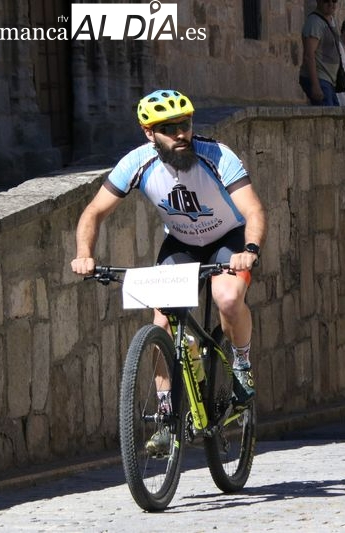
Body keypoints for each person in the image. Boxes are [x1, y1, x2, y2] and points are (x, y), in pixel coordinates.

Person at [70, 89, 267, 454]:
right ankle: (166, 415)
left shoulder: (217, 156)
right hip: (181, 244)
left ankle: (241, 364)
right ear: (149, 133)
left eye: (185, 124)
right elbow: (93, 212)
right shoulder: (136, 163)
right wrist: (85, 254)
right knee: (160, 324)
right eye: (168, 127)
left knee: (226, 298)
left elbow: (253, 211)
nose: (180, 133)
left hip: (228, 238)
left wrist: (250, 250)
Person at [299, 0, 342, 106]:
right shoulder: (315, 22)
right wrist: (315, 85)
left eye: (334, 0)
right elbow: (309, 55)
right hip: (320, 79)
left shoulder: (331, 21)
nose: (331, 3)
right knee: (329, 118)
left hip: (328, 80)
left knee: (335, 118)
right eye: (327, 0)